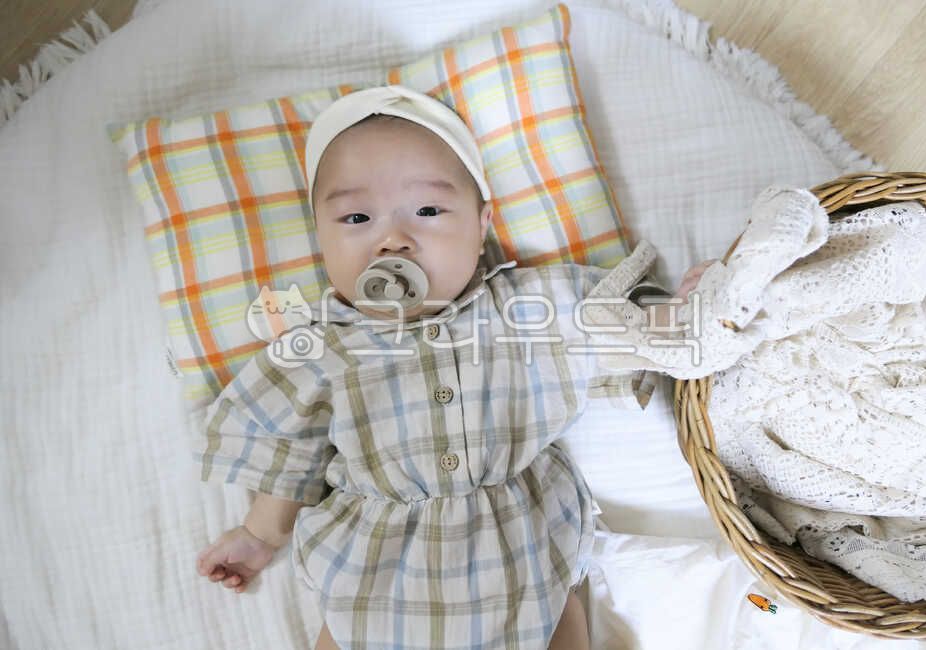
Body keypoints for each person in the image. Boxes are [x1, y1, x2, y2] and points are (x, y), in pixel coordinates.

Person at [195, 84, 712, 649]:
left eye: (428, 210)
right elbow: (291, 458)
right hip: (378, 569)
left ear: (482, 223)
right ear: (320, 238)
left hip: (521, 545)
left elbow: (614, 320)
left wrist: (676, 312)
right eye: (357, 217)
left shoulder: (524, 308)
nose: (393, 239)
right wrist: (257, 535)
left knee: (564, 623)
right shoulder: (324, 347)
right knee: (341, 636)